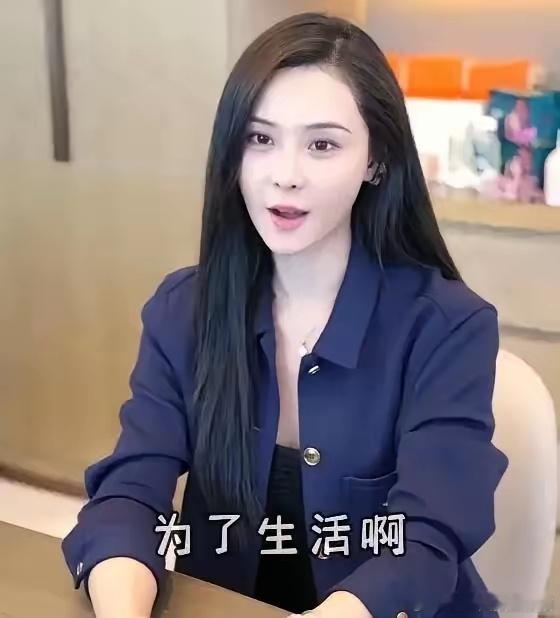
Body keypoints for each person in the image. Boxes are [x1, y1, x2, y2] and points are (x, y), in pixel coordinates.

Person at [61, 12, 509, 618]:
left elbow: (426, 539)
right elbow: (128, 497)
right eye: (260, 139)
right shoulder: (183, 310)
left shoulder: (448, 328)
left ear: (376, 159)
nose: (285, 176)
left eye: (322, 144)